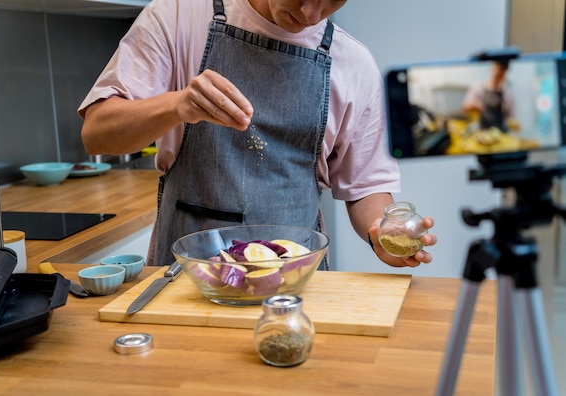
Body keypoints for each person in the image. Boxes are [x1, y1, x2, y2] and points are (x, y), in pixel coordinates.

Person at [78, 0, 437, 269]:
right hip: (186, 279)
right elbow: (97, 134)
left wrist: (382, 233)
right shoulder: (179, 15)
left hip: (296, 282)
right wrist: (177, 105)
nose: (311, 12)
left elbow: (365, 186)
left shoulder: (353, 63)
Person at [462, 60, 518, 132]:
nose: (499, 73)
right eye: (498, 69)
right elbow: (465, 107)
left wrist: (513, 123)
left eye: (503, 71)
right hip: (482, 132)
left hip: (501, 134)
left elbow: (510, 117)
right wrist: (474, 105)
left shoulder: (507, 93)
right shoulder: (479, 87)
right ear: (492, 67)